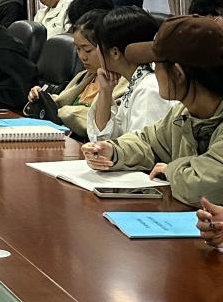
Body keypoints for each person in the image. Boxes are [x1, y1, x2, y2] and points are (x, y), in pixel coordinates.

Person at [81, 16, 223, 206]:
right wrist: (113, 151)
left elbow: (205, 187)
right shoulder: (183, 113)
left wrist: (170, 170)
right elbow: (147, 141)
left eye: (156, 64)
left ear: (178, 74)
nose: (153, 72)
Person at [24, 10, 126, 136]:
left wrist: (65, 113)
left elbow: (109, 126)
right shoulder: (83, 76)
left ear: (107, 47)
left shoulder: (123, 86)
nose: (82, 56)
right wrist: (42, 98)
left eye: (88, 50)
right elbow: (61, 101)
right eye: (78, 49)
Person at [86, 6, 175, 142]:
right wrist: (105, 91)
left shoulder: (148, 89)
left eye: (97, 44)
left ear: (115, 53)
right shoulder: (136, 81)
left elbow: (142, 149)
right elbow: (102, 139)